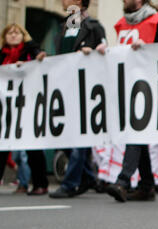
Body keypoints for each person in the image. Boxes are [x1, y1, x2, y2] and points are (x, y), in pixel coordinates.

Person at [105, 0, 158, 203]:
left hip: (153, 86)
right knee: (139, 132)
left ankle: (123, 181)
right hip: (130, 87)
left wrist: (149, 50)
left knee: (136, 129)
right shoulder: (122, 24)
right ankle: (146, 185)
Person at [49, 0, 107, 199]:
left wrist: (94, 52)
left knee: (80, 136)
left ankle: (70, 183)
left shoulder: (94, 27)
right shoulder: (65, 27)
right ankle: (88, 177)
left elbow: (104, 52)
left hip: (85, 89)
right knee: (65, 135)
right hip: (65, 88)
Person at [0, 23, 49, 196]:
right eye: (10, 33)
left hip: (27, 105)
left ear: (23, 35)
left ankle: (40, 183)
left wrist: (31, 63)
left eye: (17, 32)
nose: (13, 35)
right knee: (2, 145)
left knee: (31, 146)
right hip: (6, 109)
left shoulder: (31, 50)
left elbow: (41, 59)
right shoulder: (2, 56)